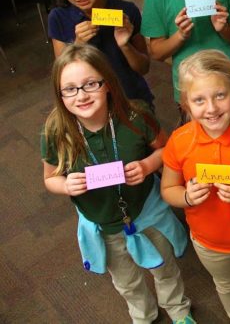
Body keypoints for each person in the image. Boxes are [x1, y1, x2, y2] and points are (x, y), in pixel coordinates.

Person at [41, 45, 194, 324]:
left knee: (165, 267)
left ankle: (178, 307)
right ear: (59, 94)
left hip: (146, 213)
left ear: (108, 84)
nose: (82, 95)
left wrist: (148, 165)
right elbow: (50, 178)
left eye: (90, 84)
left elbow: (167, 150)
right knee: (126, 281)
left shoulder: (135, 115)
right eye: (70, 89)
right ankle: (143, 315)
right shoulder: (55, 132)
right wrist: (65, 186)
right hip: (102, 225)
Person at [160, 50, 230, 324]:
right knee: (226, 285)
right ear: (185, 103)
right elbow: (167, 189)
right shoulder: (180, 141)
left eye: (219, 96)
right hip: (207, 241)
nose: (211, 108)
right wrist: (186, 196)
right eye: (199, 100)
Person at [48, 0, 154, 106]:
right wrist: (78, 44)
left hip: (131, 98)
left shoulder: (127, 10)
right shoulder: (58, 17)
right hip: (90, 103)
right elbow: (62, 74)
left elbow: (143, 68)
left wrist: (125, 46)